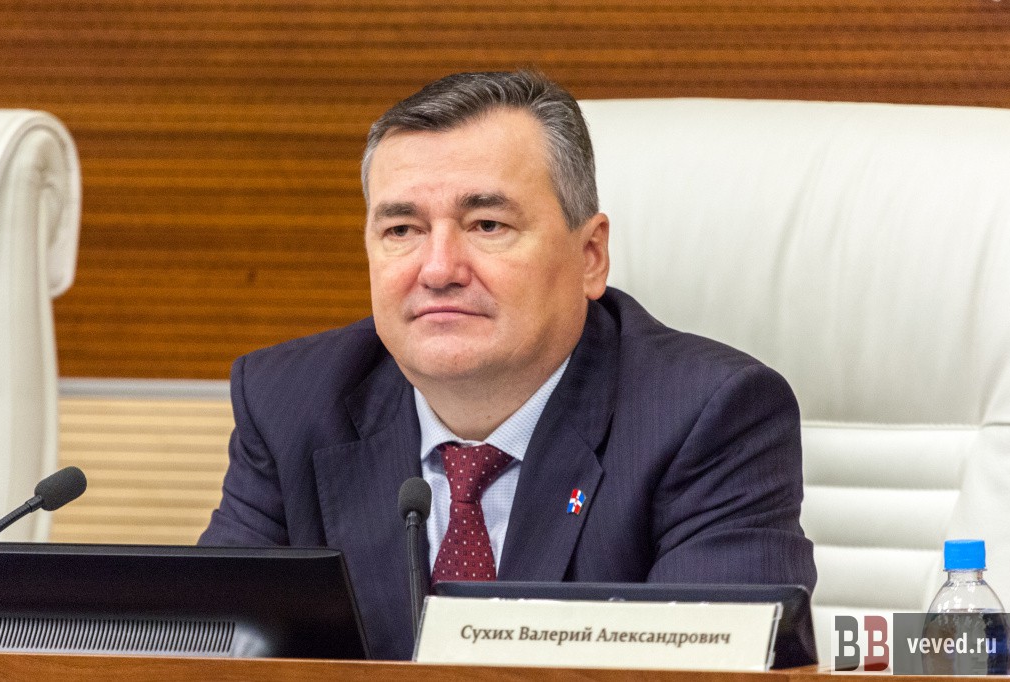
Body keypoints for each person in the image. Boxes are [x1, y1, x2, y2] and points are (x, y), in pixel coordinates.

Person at [200, 70, 817, 661]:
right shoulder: (290, 405)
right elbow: (212, 654)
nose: (438, 269)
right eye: (402, 229)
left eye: (487, 224)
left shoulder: (708, 417)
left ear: (590, 256)